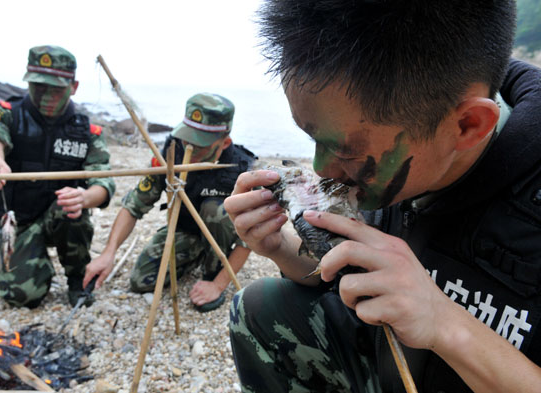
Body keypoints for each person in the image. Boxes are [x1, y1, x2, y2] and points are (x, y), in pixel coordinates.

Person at [223, 1, 541, 392]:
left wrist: (444, 321)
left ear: (467, 125)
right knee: (260, 306)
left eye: (347, 151)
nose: (322, 170)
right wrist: (281, 248)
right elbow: (348, 282)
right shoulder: (409, 133)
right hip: (386, 362)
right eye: (312, 139)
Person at [84, 93, 256, 312]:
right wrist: (109, 253)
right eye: (187, 140)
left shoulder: (241, 169)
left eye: (200, 145)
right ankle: (196, 253)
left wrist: (218, 283)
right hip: (184, 229)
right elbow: (135, 204)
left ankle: (213, 270)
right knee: (141, 281)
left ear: (225, 143)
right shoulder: (171, 152)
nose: (190, 149)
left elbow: (248, 240)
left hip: (220, 236)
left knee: (215, 210)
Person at [0, 45, 115, 309]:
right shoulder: (8, 113)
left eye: (56, 89)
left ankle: (77, 279)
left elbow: (104, 183)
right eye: (39, 87)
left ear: (73, 87)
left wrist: (84, 197)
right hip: (19, 221)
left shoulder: (88, 132)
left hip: (62, 219)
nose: (46, 96)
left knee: (71, 209)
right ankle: (35, 264)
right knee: (21, 297)